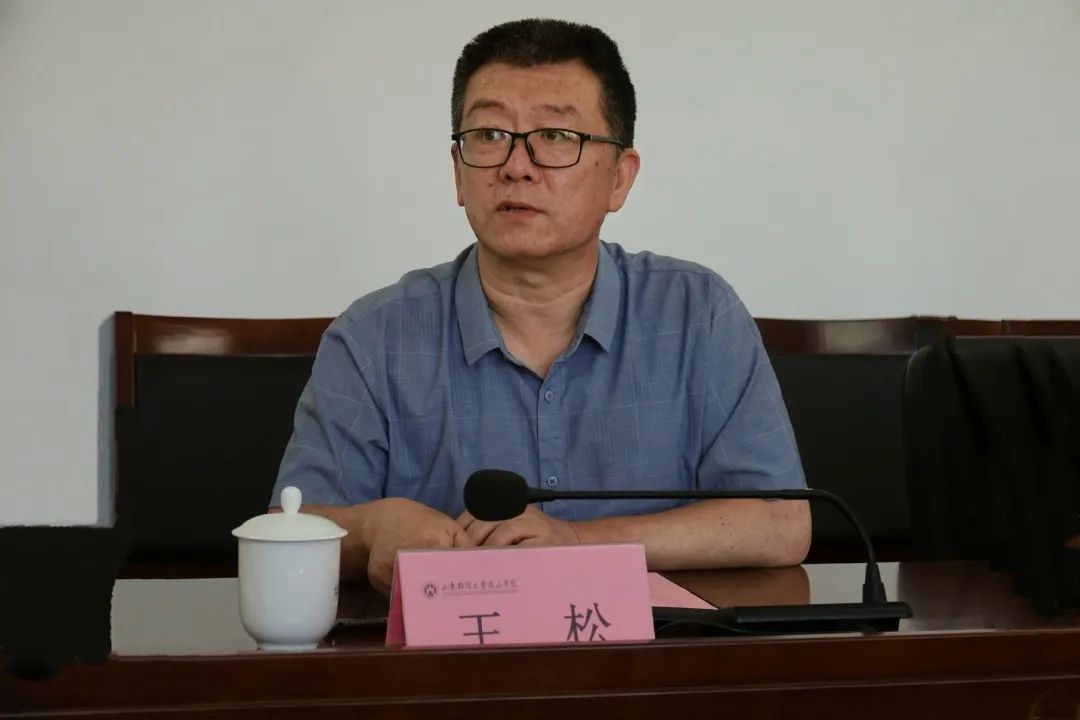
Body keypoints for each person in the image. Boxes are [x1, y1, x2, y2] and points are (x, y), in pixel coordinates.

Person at [271, 18, 810, 593]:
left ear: (620, 179)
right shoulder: (373, 338)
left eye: (555, 135)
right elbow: (290, 527)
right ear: (458, 173)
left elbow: (780, 524)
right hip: (451, 649)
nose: (515, 165)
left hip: (656, 649)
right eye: (489, 134)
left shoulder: (697, 314)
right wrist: (370, 529)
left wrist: (576, 543)